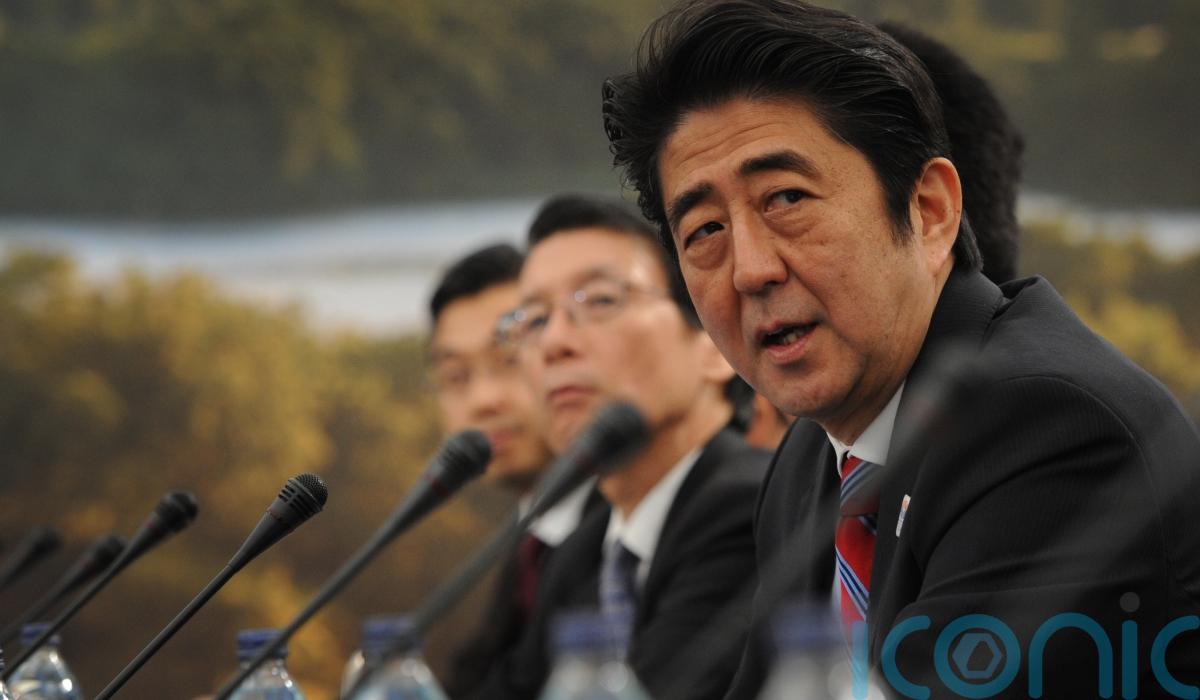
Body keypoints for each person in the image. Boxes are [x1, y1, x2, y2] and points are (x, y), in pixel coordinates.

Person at [601, 1, 1200, 697]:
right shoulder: (807, 463)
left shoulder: (1049, 424)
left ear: (930, 211)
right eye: (705, 230)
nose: (750, 270)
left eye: (786, 199)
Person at [472, 194, 770, 700]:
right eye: (534, 320)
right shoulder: (584, 552)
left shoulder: (751, 508)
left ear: (715, 343)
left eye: (601, 300)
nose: (554, 344)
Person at [426, 243, 597, 698]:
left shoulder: (620, 537)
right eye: (456, 376)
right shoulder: (529, 542)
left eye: (507, 360)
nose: (483, 401)